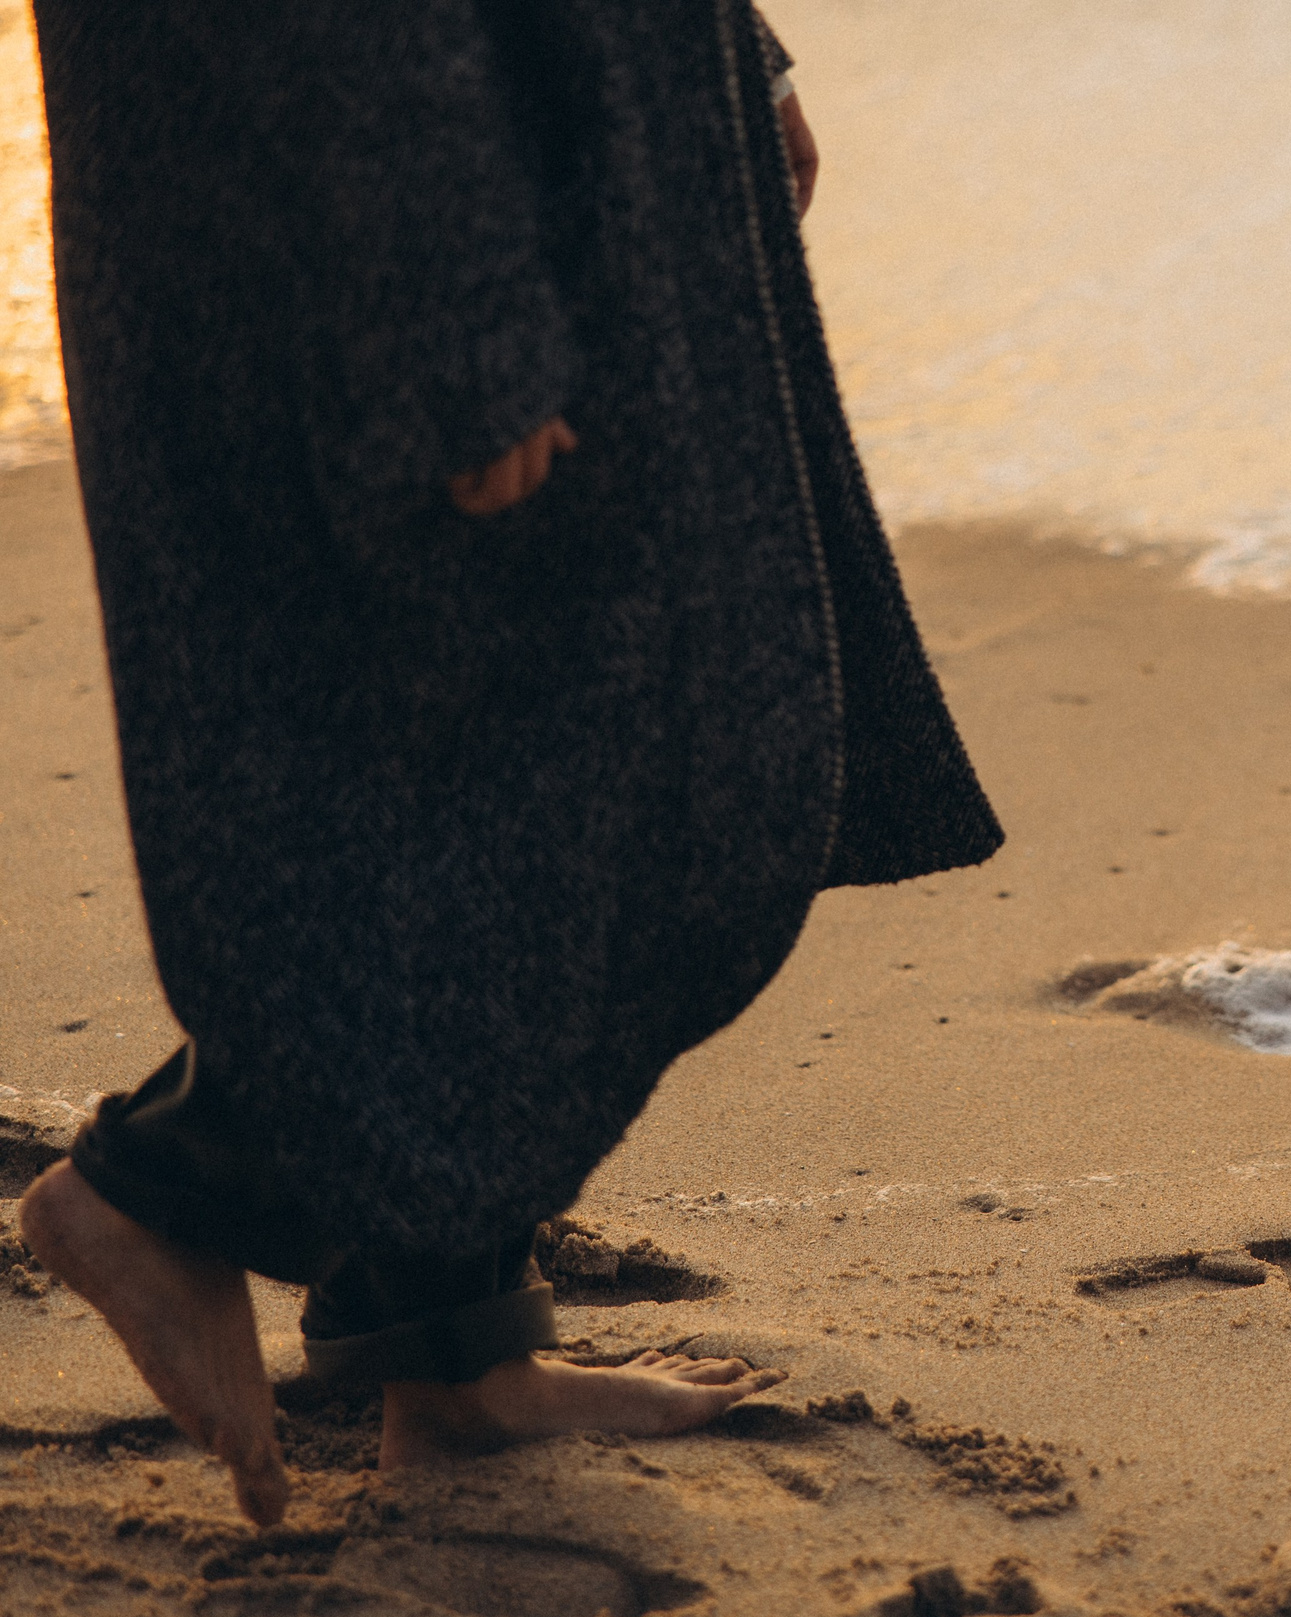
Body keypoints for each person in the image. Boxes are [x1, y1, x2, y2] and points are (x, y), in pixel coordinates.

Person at [19, 2, 1001, 1527]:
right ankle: (180, 1182)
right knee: (622, 769)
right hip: (391, 151)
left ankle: (449, 1345)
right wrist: (448, 303)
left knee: (445, 738)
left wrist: (728, 45)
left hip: (508, 107)